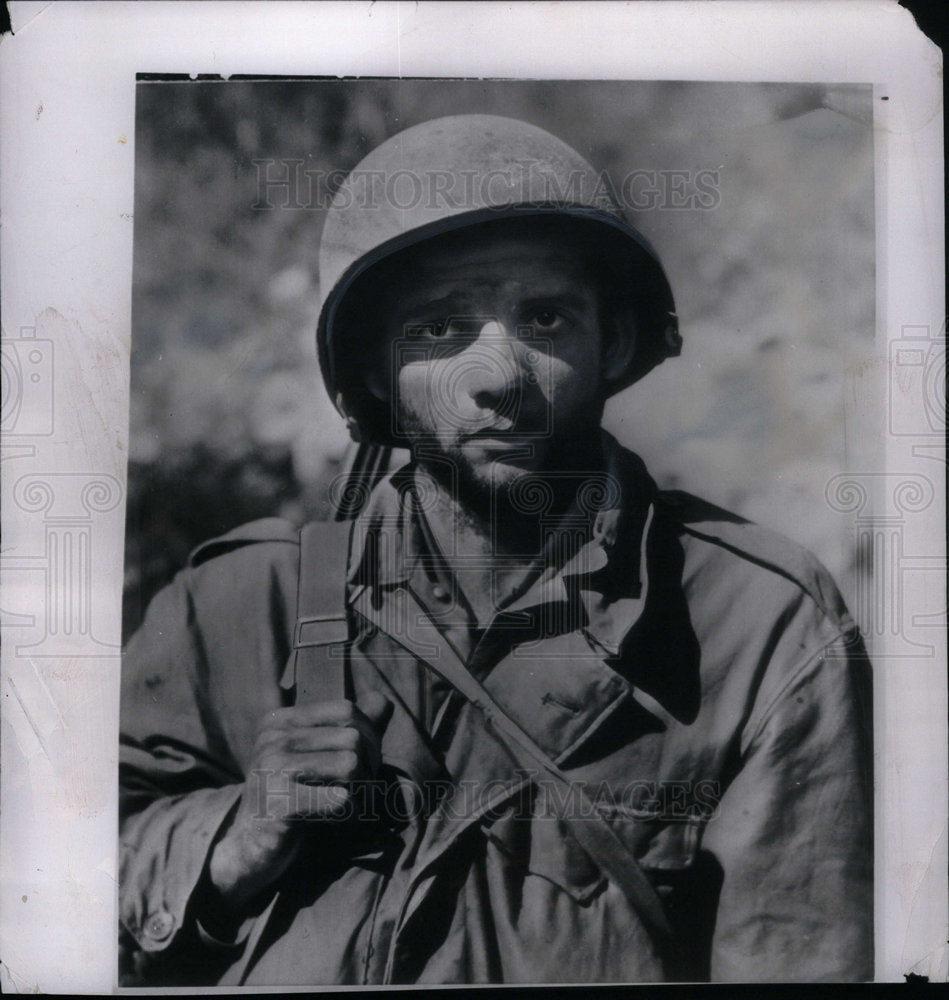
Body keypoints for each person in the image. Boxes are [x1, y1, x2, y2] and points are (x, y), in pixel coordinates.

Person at [119, 114, 873, 985]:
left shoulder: (756, 627)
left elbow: (800, 958)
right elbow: (54, 893)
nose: (498, 378)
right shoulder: (243, 606)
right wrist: (231, 842)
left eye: (545, 317)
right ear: (373, 371)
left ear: (614, 344)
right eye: (438, 330)